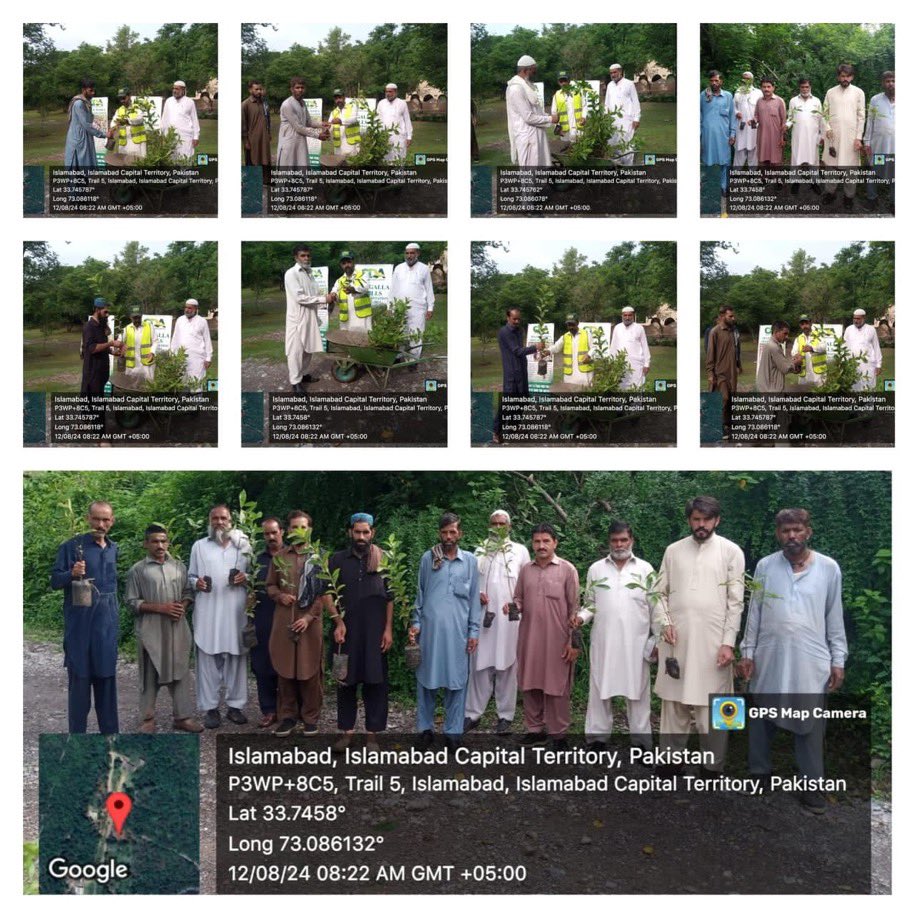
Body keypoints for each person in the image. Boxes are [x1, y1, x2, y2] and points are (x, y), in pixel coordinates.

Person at [738, 509, 847, 813]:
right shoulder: (765, 566)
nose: (792, 536)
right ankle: (759, 774)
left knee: (810, 723)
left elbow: (833, 616)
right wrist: (747, 652)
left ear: (808, 531)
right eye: (786, 531)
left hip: (810, 660)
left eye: (797, 530)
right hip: (769, 655)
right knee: (761, 716)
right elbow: (755, 614)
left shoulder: (828, 568)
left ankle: (812, 787)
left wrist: (838, 659)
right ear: (778, 534)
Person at [653, 497, 745, 773]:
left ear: (717, 520)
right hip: (676, 641)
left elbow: (736, 601)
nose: (700, 525)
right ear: (689, 520)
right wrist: (665, 622)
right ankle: (670, 761)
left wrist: (729, 643)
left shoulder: (731, 552)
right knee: (673, 705)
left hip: (714, 645)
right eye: (696, 519)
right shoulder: (673, 550)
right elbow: (658, 592)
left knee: (716, 707)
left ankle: (714, 766)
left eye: (706, 519)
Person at [577, 522, 654, 749]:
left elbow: (656, 608)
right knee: (600, 688)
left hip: (636, 643)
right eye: (614, 540)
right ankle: (598, 738)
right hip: (604, 641)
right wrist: (581, 618)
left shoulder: (645, 569)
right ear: (608, 541)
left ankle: (642, 744)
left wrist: (658, 638)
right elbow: (590, 604)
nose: (619, 545)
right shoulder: (596, 569)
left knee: (638, 692)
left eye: (623, 540)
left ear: (632, 540)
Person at [409, 513, 480, 750]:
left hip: (458, 634)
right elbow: (420, 593)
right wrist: (415, 623)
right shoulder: (428, 559)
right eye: (444, 532)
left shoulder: (469, 561)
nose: (448, 537)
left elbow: (474, 600)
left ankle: (453, 732)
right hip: (429, 633)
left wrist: (474, 632)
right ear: (439, 533)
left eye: (452, 532)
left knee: (457, 682)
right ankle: (424, 730)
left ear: (460, 534)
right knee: (426, 681)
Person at [51, 501, 120, 734]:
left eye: (106, 520)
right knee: (80, 683)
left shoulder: (113, 548)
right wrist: (71, 573)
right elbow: (54, 581)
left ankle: (110, 741)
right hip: (80, 628)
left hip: (106, 628)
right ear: (88, 519)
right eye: (97, 519)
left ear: (112, 521)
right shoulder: (71, 547)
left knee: (107, 682)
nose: (101, 524)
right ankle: (78, 743)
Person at [125, 525, 201, 734]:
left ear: (168, 542)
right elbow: (131, 602)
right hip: (151, 630)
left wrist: (181, 607)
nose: (160, 545)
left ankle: (182, 717)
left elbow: (188, 592)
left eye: (163, 541)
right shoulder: (138, 570)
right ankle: (147, 719)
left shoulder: (178, 566)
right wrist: (162, 608)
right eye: (155, 541)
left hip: (176, 627)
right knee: (150, 673)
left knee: (180, 670)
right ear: (146, 543)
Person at [327, 513, 393, 753]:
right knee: (345, 682)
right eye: (358, 532)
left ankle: (372, 736)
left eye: (366, 532)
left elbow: (390, 597)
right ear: (350, 532)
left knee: (376, 684)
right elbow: (326, 594)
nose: (362, 537)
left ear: (372, 533)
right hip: (346, 634)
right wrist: (337, 622)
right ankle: (346, 733)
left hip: (375, 633)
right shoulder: (336, 559)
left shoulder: (383, 559)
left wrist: (388, 629)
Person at [513, 523, 580, 747]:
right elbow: (519, 598)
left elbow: (575, 610)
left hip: (558, 641)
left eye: (546, 541)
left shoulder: (567, 570)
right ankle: (535, 729)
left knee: (556, 687)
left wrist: (574, 642)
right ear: (532, 544)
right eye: (537, 541)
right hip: (529, 638)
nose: (541, 546)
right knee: (530, 683)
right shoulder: (525, 570)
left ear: (555, 543)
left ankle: (558, 734)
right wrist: (513, 606)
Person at [465, 510, 530, 734]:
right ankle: (473, 714)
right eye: (494, 523)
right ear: (488, 526)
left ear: (509, 527)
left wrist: (517, 603)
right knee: (479, 666)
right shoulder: (479, 551)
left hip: (510, 618)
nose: (498, 528)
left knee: (508, 666)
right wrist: (477, 594)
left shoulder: (520, 551)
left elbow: (527, 584)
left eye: (502, 524)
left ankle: (506, 716)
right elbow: (471, 583)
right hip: (484, 616)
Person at [188, 504, 251, 729]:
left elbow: (256, 577)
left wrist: (246, 578)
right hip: (208, 613)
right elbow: (191, 576)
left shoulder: (244, 545)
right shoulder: (199, 546)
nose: (219, 522)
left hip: (236, 613)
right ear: (209, 521)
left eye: (223, 518)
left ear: (231, 520)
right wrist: (197, 583)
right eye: (215, 518)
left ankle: (235, 707)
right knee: (207, 662)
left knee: (236, 660)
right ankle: (211, 709)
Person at [266, 511, 326, 737]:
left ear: (309, 529)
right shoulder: (280, 557)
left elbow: (324, 593)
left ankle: (310, 717)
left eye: (303, 527)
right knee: (285, 668)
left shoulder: (319, 557)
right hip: (283, 620)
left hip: (310, 622)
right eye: (294, 528)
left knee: (309, 669)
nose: (298, 531)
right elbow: (270, 586)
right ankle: (288, 716)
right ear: (288, 531)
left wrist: (309, 618)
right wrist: (279, 596)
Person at [283, 245, 337, 391]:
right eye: (303, 256)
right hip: (297, 319)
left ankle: (304, 374)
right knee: (295, 351)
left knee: (308, 348)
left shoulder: (309, 274)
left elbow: (316, 294)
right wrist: (323, 299)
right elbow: (300, 297)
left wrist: (329, 298)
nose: (306, 258)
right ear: (296, 257)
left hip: (311, 318)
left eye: (308, 255)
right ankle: (295, 382)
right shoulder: (291, 273)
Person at [492, 307, 543, 445]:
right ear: (507, 318)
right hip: (511, 375)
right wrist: (535, 347)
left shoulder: (519, 331)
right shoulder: (504, 332)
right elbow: (516, 351)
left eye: (518, 318)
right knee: (507, 404)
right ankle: (496, 432)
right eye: (514, 318)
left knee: (521, 401)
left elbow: (520, 350)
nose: (517, 321)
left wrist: (533, 351)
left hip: (522, 372)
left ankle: (513, 428)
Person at [250, 517, 283, 728]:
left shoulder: (291, 556)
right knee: (262, 665)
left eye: (274, 532)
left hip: (286, 618)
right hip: (262, 618)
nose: (271, 537)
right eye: (267, 534)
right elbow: (250, 590)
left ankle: (287, 709)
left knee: (285, 665)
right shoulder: (256, 560)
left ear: (282, 532)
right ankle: (269, 710)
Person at [821, 64, 866, 209]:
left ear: (852, 77)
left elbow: (861, 116)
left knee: (850, 170)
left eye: (847, 76)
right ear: (838, 77)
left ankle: (849, 196)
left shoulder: (859, 92)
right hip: (833, 136)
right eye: (842, 76)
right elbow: (824, 113)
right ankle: (830, 192)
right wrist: (827, 128)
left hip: (851, 138)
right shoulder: (830, 92)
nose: (845, 79)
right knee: (831, 167)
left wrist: (859, 137)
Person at [506, 54, 558, 167]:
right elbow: (528, 117)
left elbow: (535, 110)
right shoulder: (516, 89)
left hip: (535, 135)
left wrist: (547, 116)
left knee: (539, 170)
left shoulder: (527, 86)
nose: (535, 72)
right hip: (527, 138)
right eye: (534, 70)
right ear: (526, 70)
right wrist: (550, 119)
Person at [389, 243, 435, 362]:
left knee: (415, 334)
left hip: (417, 308)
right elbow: (393, 288)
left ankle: (412, 360)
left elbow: (429, 289)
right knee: (399, 333)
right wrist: (390, 306)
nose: (409, 256)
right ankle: (398, 356)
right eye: (407, 253)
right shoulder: (398, 268)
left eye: (412, 253)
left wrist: (430, 307)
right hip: (399, 307)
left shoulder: (424, 268)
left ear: (417, 254)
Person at [706, 305, 741, 440]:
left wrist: (739, 364)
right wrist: (710, 374)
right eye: (730, 316)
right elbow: (710, 355)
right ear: (722, 316)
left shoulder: (733, 331)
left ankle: (727, 424)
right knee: (723, 398)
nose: (733, 318)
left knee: (731, 398)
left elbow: (736, 350)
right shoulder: (715, 332)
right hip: (719, 372)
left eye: (733, 316)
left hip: (732, 372)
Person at [277, 77, 328, 167]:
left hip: (300, 142)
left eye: (302, 87)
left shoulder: (302, 103)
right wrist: (318, 135)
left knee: (300, 169)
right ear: (292, 89)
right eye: (297, 87)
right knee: (288, 172)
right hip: (289, 143)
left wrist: (322, 124)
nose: (300, 90)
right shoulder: (287, 104)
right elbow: (298, 127)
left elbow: (308, 122)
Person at [700, 70, 736, 198]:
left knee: (725, 162)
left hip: (724, 136)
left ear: (721, 81)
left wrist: (733, 133)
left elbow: (732, 115)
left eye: (717, 80)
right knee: (707, 161)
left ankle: (724, 187)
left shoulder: (728, 96)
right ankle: (709, 185)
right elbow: (699, 115)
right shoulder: (703, 95)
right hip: (707, 136)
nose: (714, 83)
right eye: (712, 81)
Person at [863, 71, 895, 212]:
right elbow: (870, 122)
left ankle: (895, 202)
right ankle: (872, 198)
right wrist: (867, 142)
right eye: (887, 81)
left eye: (893, 80)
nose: (891, 84)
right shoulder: (876, 100)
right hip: (879, 146)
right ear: (883, 83)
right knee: (873, 172)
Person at [64, 78, 110, 169]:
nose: (93, 93)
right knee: (76, 171)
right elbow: (87, 125)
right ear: (83, 90)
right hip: (78, 141)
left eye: (94, 90)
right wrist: (104, 134)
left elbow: (90, 121)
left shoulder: (86, 103)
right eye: (90, 90)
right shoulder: (79, 104)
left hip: (84, 139)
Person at [786, 78, 822, 192]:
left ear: (810, 87)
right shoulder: (793, 101)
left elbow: (821, 119)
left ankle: (814, 182)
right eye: (802, 87)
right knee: (796, 159)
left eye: (807, 87)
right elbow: (790, 118)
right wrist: (787, 125)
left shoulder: (816, 101)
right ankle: (795, 182)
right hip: (798, 136)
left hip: (813, 136)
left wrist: (821, 136)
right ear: (799, 87)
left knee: (814, 161)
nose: (805, 89)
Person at [169, 298, 212, 390]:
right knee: (181, 382)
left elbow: (207, 340)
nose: (187, 310)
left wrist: (208, 358)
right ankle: (183, 403)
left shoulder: (202, 321)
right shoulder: (180, 320)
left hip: (197, 358)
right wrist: (172, 354)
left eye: (190, 308)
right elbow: (175, 338)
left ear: (196, 309)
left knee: (196, 383)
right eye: (186, 307)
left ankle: (196, 404)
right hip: (181, 357)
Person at [80, 298, 119, 396]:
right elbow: (92, 348)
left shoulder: (101, 326)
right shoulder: (89, 327)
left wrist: (112, 352)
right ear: (97, 310)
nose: (107, 315)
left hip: (102, 372)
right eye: (105, 312)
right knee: (92, 405)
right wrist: (110, 343)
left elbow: (102, 345)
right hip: (93, 373)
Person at [605, 64, 640, 164]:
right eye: (611, 73)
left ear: (620, 72)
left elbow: (635, 102)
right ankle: (616, 168)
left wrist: (636, 118)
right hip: (612, 121)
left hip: (626, 121)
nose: (613, 75)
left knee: (627, 145)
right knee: (612, 144)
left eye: (615, 72)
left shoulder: (629, 84)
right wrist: (605, 118)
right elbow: (607, 103)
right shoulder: (610, 85)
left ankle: (627, 169)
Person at [610, 306, 650, 389]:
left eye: (629, 315)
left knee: (637, 387)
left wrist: (647, 364)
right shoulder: (617, 328)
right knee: (620, 387)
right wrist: (611, 362)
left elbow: (645, 346)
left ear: (633, 316)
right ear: (622, 316)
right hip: (620, 364)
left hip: (636, 365)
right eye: (625, 315)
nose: (627, 317)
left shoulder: (639, 328)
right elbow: (613, 346)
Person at [756, 320, 802, 393]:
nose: (787, 337)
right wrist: (797, 362)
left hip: (767, 387)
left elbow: (780, 365)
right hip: (771, 390)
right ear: (776, 332)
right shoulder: (774, 347)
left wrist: (795, 367)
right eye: (785, 333)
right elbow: (785, 368)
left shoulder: (771, 344)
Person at [159, 80, 200, 161]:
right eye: (173, 88)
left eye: (177, 89)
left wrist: (196, 137)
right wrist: (161, 134)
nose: (174, 91)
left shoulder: (190, 102)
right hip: (170, 136)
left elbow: (195, 120)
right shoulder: (168, 101)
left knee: (184, 159)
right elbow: (164, 118)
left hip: (185, 136)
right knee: (171, 159)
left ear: (183, 90)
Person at [843, 308, 882, 391]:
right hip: (852, 365)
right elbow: (844, 347)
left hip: (867, 365)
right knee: (853, 387)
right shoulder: (848, 329)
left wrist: (878, 365)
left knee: (868, 387)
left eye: (858, 318)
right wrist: (843, 362)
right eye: (854, 318)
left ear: (864, 318)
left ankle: (868, 404)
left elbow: (876, 347)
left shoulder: (871, 329)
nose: (856, 320)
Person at [549, 315, 594, 388]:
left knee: (585, 394)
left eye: (572, 324)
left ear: (577, 323)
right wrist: (548, 351)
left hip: (584, 374)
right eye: (568, 325)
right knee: (570, 395)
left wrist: (589, 355)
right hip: (570, 376)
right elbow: (556, 347)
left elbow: (594, 348)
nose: (570, 327)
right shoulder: (565, 336)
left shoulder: (586, 334)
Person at [242, 80, 272, 183]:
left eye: (260, 89)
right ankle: (251, 183)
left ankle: (266, 181)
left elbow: (268, 119)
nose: (259, 91)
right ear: (250, 90)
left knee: (266, 159)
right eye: (256, 89)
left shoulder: (264, 103)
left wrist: (269, 133)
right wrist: (245, 140)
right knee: (253, 161)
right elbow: (243, 124)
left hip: (264, 138)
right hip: (252, 140)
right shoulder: (245, 104)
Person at [334, 252, 373, 332]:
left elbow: (365, 287)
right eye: (344, 263)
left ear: (353, 262)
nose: (347, 265)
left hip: (361, 317)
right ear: (341, 265)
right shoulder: (339, 281)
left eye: (349, 262)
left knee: (363, 340)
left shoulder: (362, 275)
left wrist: (353, 289)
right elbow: (334, 293)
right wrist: (333, 296)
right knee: (346, 340)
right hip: (346, 319)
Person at [752, 78, 786, 169]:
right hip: (762, 135)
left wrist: (782, 137)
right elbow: (756, 116)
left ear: (773, 88)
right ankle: (764, 179)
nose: (766, 89)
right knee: (763, 159)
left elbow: (784, 121)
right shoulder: (759, 101)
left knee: (776, 159)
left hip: (776, 136)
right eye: (764, 87)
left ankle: (778, 180)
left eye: (768, 87)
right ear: (761, 88)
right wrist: (754, 121)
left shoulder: (779, 101)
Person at [732, 72, 762, 168]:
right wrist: (737, 113)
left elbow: (762, 108)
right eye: (744, 78)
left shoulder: (758, 92)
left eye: (748, 78)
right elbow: (733, 107)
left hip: (754, 126)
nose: (746, 80)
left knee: (753, 149)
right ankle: (736, 175)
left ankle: (753, 175)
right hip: (741, 125)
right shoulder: (738, 92)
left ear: (752, 80)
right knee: (739, 149)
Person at [377, 83, 412, 161]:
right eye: (386, 92)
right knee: (385, 159)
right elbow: (377, 120)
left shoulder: (402, 103)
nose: (388, 94)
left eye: (390, 92)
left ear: (396, 92)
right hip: (384, 137)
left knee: (399, 159)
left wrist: (409, 136)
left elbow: (407, 120)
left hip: (399, 137)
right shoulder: (381, 103)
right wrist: (377, 134)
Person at [791, 315, 828, 387]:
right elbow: (793, 351)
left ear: (810, 323)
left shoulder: (818, 335)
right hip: (804, 374)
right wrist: (796, 355)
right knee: (804, 395)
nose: (804, 326)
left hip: (818, 374)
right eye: (802, 324)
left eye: (806, 323)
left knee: (820, 395)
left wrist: (812, 348)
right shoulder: (798, 338)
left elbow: (823, 347)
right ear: (800, 325)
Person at [110, 88, 146, 161]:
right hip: (123, 145)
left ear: (129, 96)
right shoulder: (119, 110)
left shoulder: (137, 108)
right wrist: (112, 128)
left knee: (137, 165)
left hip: (136, 144)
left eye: (124, 98)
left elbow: (139, 119)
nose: (122, 101)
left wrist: (127, 121)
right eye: (120, 98)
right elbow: (113, 123)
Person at [123, 309, 155, 385]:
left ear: (141, 317)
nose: (137, 320)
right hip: (132, 365)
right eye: (135, 318)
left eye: (139, 318)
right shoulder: (126, 329)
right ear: (131, 318)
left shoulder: (149, 327)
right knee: (131, 387)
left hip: (146, 364)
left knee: (148, 386)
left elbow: (155, 341)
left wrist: (152, 352)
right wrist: (120, 348)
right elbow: (121, 342)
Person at [551, 73, 585, 141]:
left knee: (581, 148)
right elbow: (554, 113)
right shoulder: (556, 95)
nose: (563, 83)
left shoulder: (578, 91)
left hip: (579, 128)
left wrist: (584, 117)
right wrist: (557, 129)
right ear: (558, 82)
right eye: (561, 81)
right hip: (565, 131)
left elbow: (584, 106)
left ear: (569, 81)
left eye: (565, 80)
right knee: (567, 150)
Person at [329, 89, 360, 157]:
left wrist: (341, 121)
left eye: (340, 97)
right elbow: (330, 127)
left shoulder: (352, 107)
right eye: (336, 98)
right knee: (339, 165)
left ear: (344, 97)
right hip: (338, 146)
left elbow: (353, 119)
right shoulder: (333, 112)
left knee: (351, 165)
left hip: (351, 145)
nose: (338, 100)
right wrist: (326, 130)